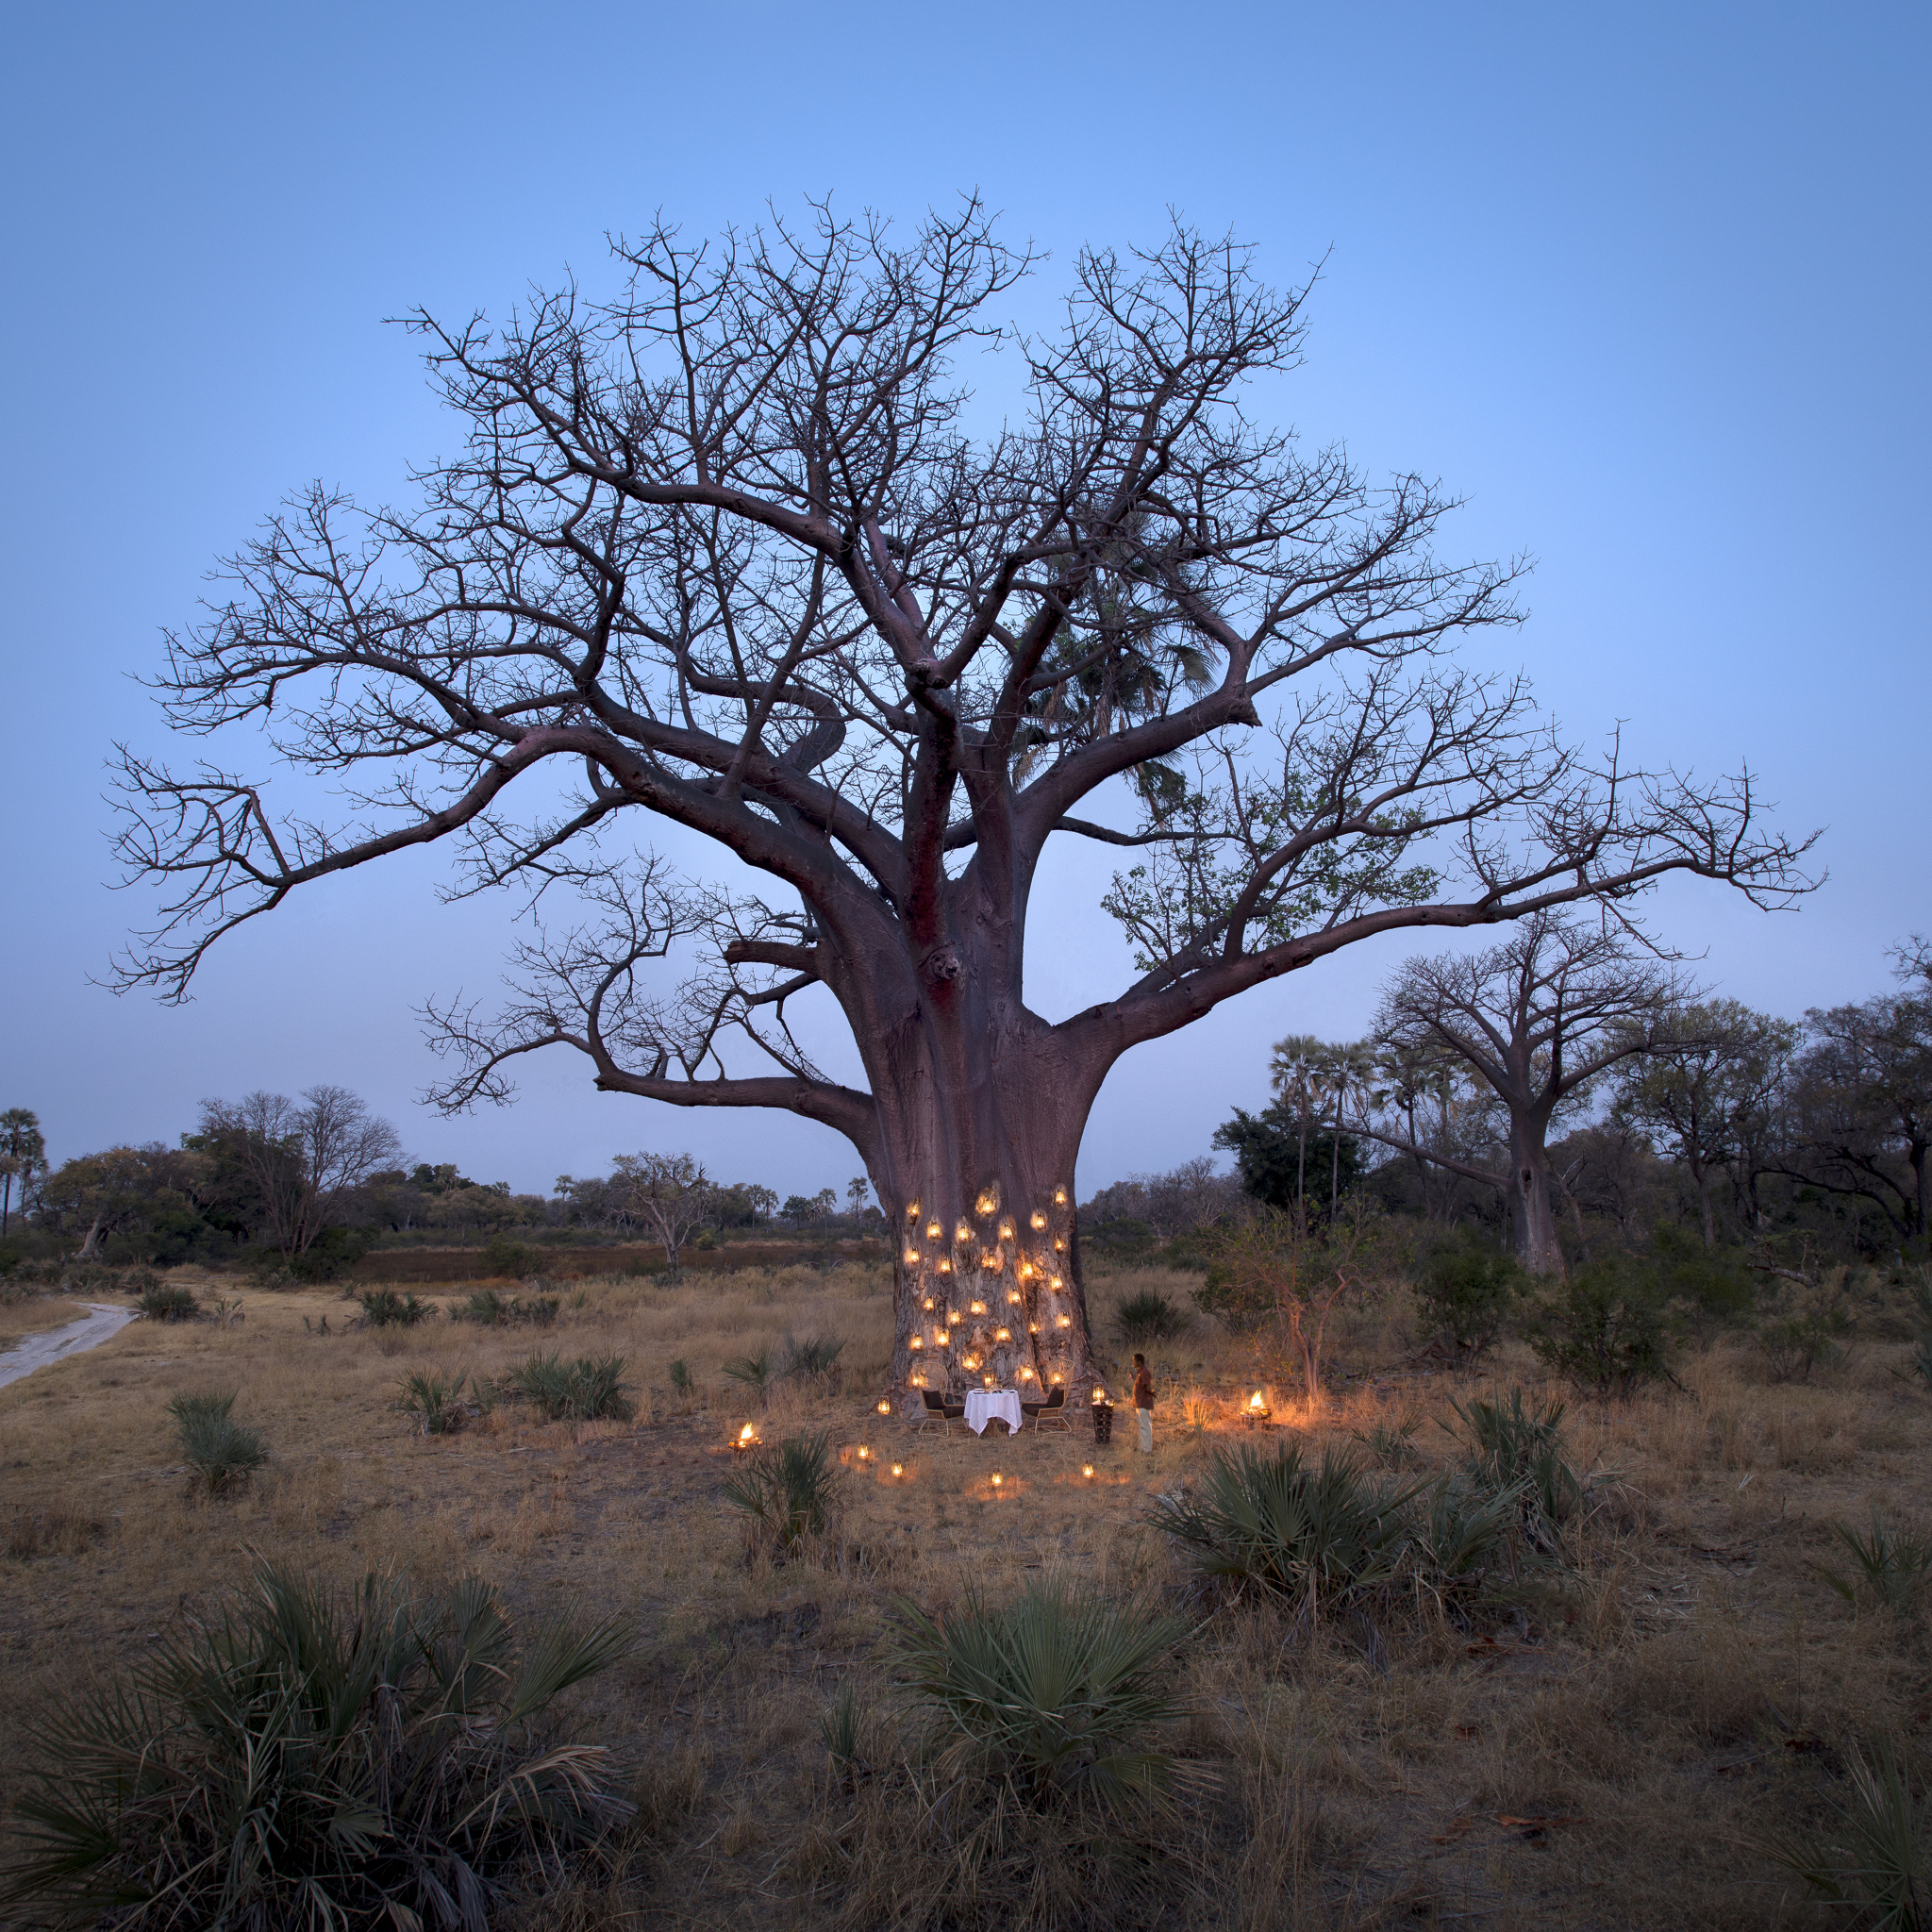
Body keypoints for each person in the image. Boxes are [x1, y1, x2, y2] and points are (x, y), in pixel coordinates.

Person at [1132, 1352, 1154, 1454]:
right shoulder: (1140, 1372)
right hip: (1139, 1403)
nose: (1133, 1362)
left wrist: (1152, 1394)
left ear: (1139, 1361)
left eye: (1134, 1360)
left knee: (1145, 1426)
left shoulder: (1144, 1372)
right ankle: (1142, 1447)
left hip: (1143, 1403)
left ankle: (1147, 1449)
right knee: (1141, 1426)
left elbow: (1148, 1387)